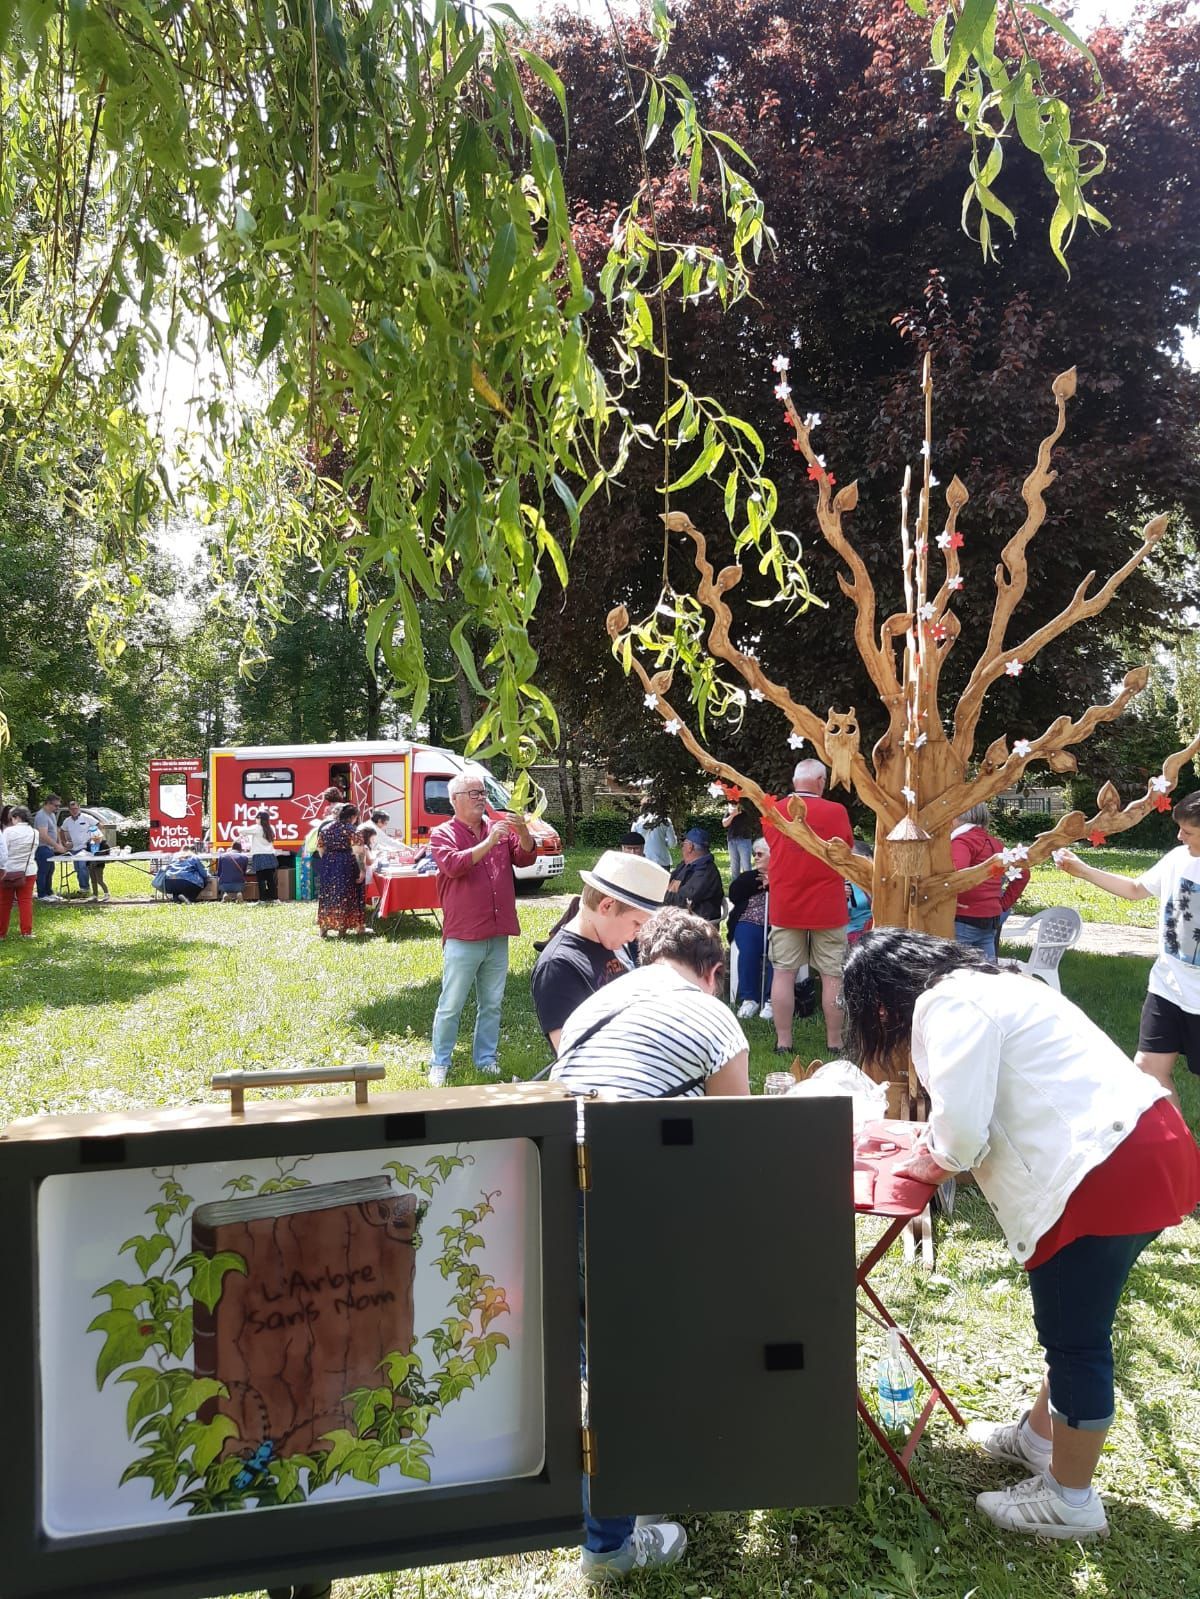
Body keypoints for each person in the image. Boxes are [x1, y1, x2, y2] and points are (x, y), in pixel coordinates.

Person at [842, 926, 1200, 1540]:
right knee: (1079, 1320)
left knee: (1076, 1341)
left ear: (879, 1006)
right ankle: (1039, 1440)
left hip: (1103, 1168)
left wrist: (928, 1159)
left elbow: (960, 1136)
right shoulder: (994, 983)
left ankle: (1071, 1499)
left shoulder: (947, 1004)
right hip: (1145, 1145)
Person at [551, 907, 750, 1579]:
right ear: (712, 971)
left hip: (548, 1178)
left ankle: (635, 1480)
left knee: (599, 1356)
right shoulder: (712, 1015)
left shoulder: (597, 1003)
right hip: (623, 1185)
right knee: (631, 1367)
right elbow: (737, 1141)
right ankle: (608, 1545)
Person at [1054, 789, 1200, 1096]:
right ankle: (1179, 1132)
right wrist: (1083, 871)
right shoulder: (1177, 859)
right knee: (1148, 1070)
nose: (1179, 837)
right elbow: (1135, 889)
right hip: (1168, 988)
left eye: (1188, 832)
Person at [427, 769, 536, 1086]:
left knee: (492, 1003)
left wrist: (523, 831)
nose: (481, 798)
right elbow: (453, 865)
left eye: (482, 792)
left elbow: (525, 858)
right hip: (464, 933)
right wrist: (490, 842)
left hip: (497, 931)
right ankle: (440, 1062)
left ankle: (486, 1059)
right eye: (474, 793)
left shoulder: (497, 827)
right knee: (451, 1004)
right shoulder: (443, 833)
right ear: (455, 799)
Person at [531, 849, 668, 1049]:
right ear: (607, 906)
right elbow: (573, 1053)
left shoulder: (610, 941)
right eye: (637, 924)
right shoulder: (558, 966)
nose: (639, 934)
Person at [763, 758, 853, 1057]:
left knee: (783, 973)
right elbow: (846, 849)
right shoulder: (836, 811)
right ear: (821, 782)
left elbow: (770, 843)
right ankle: (835, 1042)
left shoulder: (774, 810)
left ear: (794, 781)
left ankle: (783, 1041)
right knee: (832, 976)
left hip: (786, 904)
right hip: (828, 905)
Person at [727, 838, 773, 1019]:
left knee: (779, 953)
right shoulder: (749, 876)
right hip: (749, 921)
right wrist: (757, 884)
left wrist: (773, 884)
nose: (755, 857)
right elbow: (734, 893)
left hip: (777, 924)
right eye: (754, 854)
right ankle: (749, 999)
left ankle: (771, 1000)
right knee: (748, 950)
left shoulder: (786, 877)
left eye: (760, 854)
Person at [316, 803, 365, 937]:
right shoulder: (352, 830)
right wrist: (362, 870)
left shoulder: (325, 828)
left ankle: (324, 928)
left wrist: (329, 859)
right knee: (345, 895)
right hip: (346, 864)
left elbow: (320, 848)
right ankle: (342, 929)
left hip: (328, 863)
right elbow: (359, 852)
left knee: (327, 894)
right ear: (353, 817)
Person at [664, 827, 724, 922]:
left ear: (690, 847)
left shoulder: (705, 871)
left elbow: (684, 900)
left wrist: (659, 895)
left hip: (696, 924)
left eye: (683, 844)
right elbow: (667, 881)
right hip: (680, 916)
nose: (682, 847)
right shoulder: (686, 865)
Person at [1, 805, 39, 939]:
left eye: (12, 818)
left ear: (16, 817)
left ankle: (1, 933)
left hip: (8, 871)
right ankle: (26, 932)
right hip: (28, 870)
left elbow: (3, 852)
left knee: (4, 902)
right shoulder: (35, 832)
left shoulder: (8, 832)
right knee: (26, 901)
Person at [32, 791, 68, 904]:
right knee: (43, 871)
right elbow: (43, 835)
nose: (57, 808)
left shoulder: (51, 814)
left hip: (50, 848)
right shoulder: (41, 816)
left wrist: (59, 844)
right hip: (42, 848)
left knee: (50, 870)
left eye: (59, 806)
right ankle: (42, 894)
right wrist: (56, 845)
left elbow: (55, 829)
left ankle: (49, 892)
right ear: (48, 803)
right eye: (56, 805)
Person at [243, 809, 279, 902]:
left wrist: (243, 832)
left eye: (257, 817)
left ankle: (262, 899)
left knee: (261, 879)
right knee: (271, 879)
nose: (255, 819)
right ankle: (274, 898)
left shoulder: (257, 828)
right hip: (270, 856)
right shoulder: (270, 828)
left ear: (260, 818)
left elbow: (241, 830)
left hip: (259, 856)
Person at [59, 800, 94, 896]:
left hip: (85, 847)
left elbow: (99, 826)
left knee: (82, 866)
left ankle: (85, 888)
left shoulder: (86, 817)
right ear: (69, 810)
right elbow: (61, 831)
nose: (74, 811)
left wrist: (93, 839)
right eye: (72, 809)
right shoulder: (67, 821)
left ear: (79, 808)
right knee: (77, 868)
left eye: (76, 808)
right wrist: (65, 843)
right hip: (74, 849)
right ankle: (83, 888)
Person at [721, 797, 756, 878]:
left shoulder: (746, 810)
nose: (733, 805)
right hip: (732, 840)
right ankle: (735, 884)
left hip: (744, 839)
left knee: (746, 865)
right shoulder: (730, 811)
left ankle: (748, 884)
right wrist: (732, 815)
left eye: (735, 803)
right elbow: (724, 824)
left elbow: (752, 820)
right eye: (731, 803)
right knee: (734, 866)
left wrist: (741, 810)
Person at [86, 821, 111, 900]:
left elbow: (108, 852)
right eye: (94, 838)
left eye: (97, 838)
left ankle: (106, 893)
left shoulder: (104, 845)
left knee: (99, 880)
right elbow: (87, 852)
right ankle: (95, 895)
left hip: (99, 865)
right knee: (93, 880)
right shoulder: (89, 845)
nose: (96, 839)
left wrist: (101, 853)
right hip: (90, 864)